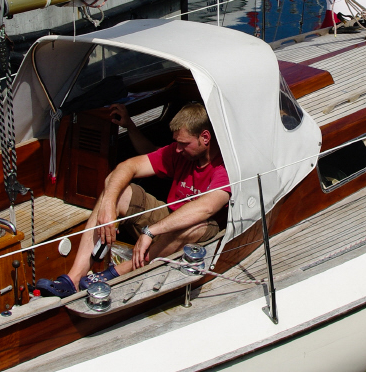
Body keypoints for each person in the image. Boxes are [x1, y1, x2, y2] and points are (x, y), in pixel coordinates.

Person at [37, 102, 232, 297]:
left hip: (203, 229)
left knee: (194, 225)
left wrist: (151, 231)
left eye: (184, 144)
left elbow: (205, 208)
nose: (178, 149)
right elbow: (128, 166)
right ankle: (74, 279)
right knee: (116, 191)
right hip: (168, 217)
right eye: (177, 143)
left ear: (205, 137)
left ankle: (118, 273)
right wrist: (108, 205)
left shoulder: (225, 167)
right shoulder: (178, 152)